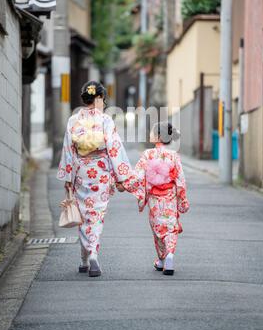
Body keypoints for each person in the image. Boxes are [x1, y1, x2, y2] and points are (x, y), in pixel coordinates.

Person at [57, 81, 131, 277]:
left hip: (81, 170)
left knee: (82, 214)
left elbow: (68, 149)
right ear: (98, 99)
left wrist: (67, 176)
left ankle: (84, 259)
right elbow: (114, 149)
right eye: (102, 100)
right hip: (100, 172)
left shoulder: (73, 120)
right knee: (95, 215)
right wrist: (121, 177)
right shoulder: (106, 120)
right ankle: (92, 255)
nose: (103, 103)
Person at [122, 122, 189, 275]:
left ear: (159, 136)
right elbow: (180, 180)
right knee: (170, 226)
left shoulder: (148, 154)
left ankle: (162, 259)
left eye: (152, 132)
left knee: (158, 228)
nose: (150, 135)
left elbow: (137, 176)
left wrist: (124, 184)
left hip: (154, 198)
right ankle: (170, 255)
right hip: (170, 196)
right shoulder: (174, 155)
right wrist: (183, 200)